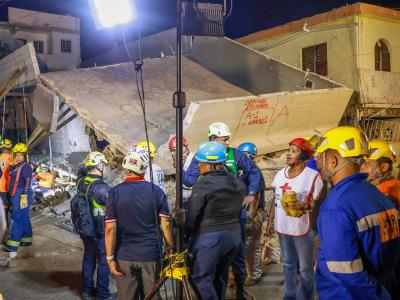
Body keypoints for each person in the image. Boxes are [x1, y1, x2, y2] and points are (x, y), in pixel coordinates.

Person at [314, 126, 400, 299]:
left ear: (332, 161)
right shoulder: (377, 195)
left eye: (320, 157)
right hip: (384, 285)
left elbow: (346, 272)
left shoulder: (336, 206)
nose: (317, 163)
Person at [105, 148, 172, 300]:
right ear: (144, 169)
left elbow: (110, 229)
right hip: (150, 255)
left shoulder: (115, 193)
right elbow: (165, 225)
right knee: (152, 295)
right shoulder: (156, 192)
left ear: (126, 168)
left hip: (124, 256)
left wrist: (109, 258)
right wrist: (170, 249)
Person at [188, 141, 245, 300]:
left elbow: (193, 216)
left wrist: (184, 231)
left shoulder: (203, 185)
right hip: (233, 237)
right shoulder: (236, 182)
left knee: (200, 278)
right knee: (219, 276)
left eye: (201, 163)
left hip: (211, 239)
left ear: (212, 165)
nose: (199, 165)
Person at [271, 137, 323, 300]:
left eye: (294, 151)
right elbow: (275, 197)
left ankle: (305, 297)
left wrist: (305, 206)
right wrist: (271, 219)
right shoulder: (280, 174)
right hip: (283, 228)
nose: (288, 154)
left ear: (302, 156)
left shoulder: (313, 176)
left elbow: (319, 205)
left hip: (302, 230)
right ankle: (289, 296)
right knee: (288, 265)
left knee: (306, 269)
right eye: (289, 151)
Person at [78, 151, 112, 300]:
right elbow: (114, 207)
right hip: (100, 231)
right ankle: (102, 295)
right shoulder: (102, 188)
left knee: (88, 257)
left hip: (85, 228)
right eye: (104, 165)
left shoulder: (81, 182)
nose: (106, 168)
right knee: (104, 261)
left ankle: (86, 291)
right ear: (99, 166)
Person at [237, 142, 266, 286]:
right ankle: (243, 274)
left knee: (251, 245)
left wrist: (249, 218)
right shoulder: (243, 173)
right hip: (243, 212)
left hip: (254, 213)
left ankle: (254, 275)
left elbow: (255, 198)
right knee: (244, 245)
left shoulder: (255, 174)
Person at [3, 143, 33, 255]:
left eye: (21, 155)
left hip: (21, 194)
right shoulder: (16, 166)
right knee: (24, 216)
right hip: (16, 193)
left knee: (16, 218)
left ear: (25, 156)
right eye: (17, 154)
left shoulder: (26, 167)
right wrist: (11, 167)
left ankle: (12, 245)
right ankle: (26, 239)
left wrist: (24, 196)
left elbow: (28, 181)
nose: (19, 157)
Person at [362, 140, 400, 209]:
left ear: (384, 167)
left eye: (367, 164)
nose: (362, 167)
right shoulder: (394, 184)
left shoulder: (386, 192)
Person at [168, 135, 196, 202]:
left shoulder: (194, 159)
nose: (172, 154)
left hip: (191, 200)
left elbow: (191, 182)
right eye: (171, 151)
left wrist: (179, 168)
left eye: (174, 150)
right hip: (183, 200)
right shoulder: (183, 161)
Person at [0, 139, 13, 228]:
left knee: (4, 207)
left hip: (1, 186)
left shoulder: (0, 157)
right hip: (6, 186)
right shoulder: (10, 157)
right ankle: (6, 228)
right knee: (7, 208)